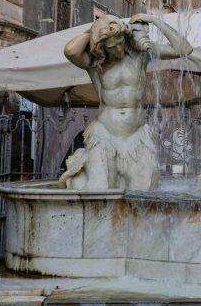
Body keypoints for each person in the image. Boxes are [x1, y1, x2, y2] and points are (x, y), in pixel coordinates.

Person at [58, 14, 193, 190]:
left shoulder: (142, 53)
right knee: (100, 188)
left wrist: (154, 21)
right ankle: (81, 173)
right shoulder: (95, 62)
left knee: (144, 189)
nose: (119, 48)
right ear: (102, 47)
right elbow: (71, 51)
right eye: (113, 47)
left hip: (136, 134)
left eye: (120, 42)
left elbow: (184, 49)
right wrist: (95, 30)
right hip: (104, 133)